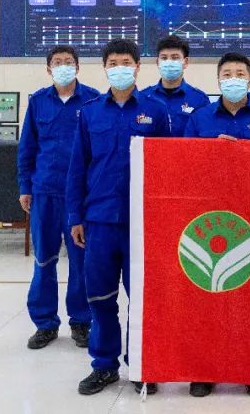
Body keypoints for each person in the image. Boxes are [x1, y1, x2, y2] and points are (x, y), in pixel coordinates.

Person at [66, 39, 171, 396]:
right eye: (113, 63)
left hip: (141, 223)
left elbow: (167, 170)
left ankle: (140, 365)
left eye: (126, 62)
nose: (120, 68)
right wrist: (75, 216)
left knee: (141, 300)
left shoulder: (156, 111)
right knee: (100, 297)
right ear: (105, 68)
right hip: (99, 221)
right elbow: (78, 167)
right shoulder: (90, 113)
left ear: (138, 67)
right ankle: (104, 365)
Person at [183, 51, 250, 398]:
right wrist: (211, 154)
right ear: (218, 79)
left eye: (240, 73)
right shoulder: (199, 119)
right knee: (209, 298)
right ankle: (204, 370)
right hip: (211, 220)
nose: (234, 79)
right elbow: (184, 166)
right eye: (228, 74)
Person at [17, 45, 101, 351]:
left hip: (79, 197)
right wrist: (25, 186)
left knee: (81, 262)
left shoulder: (93, 100)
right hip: (45, 193)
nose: (63, 66)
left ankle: (81, 322)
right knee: (44, 259)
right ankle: (45, 323)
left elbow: (97, 150)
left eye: (68, 62)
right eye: (57, 62)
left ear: (77, 67)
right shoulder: (38, 102)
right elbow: (27, 148)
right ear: (48, 68)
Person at [142, 35, 209, 138]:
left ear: (185, 62)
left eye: (175, 58)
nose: (169, 62)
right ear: (157, 62)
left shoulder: (200, 100)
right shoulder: (143, 97)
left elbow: (206, 137)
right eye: (164, 58)